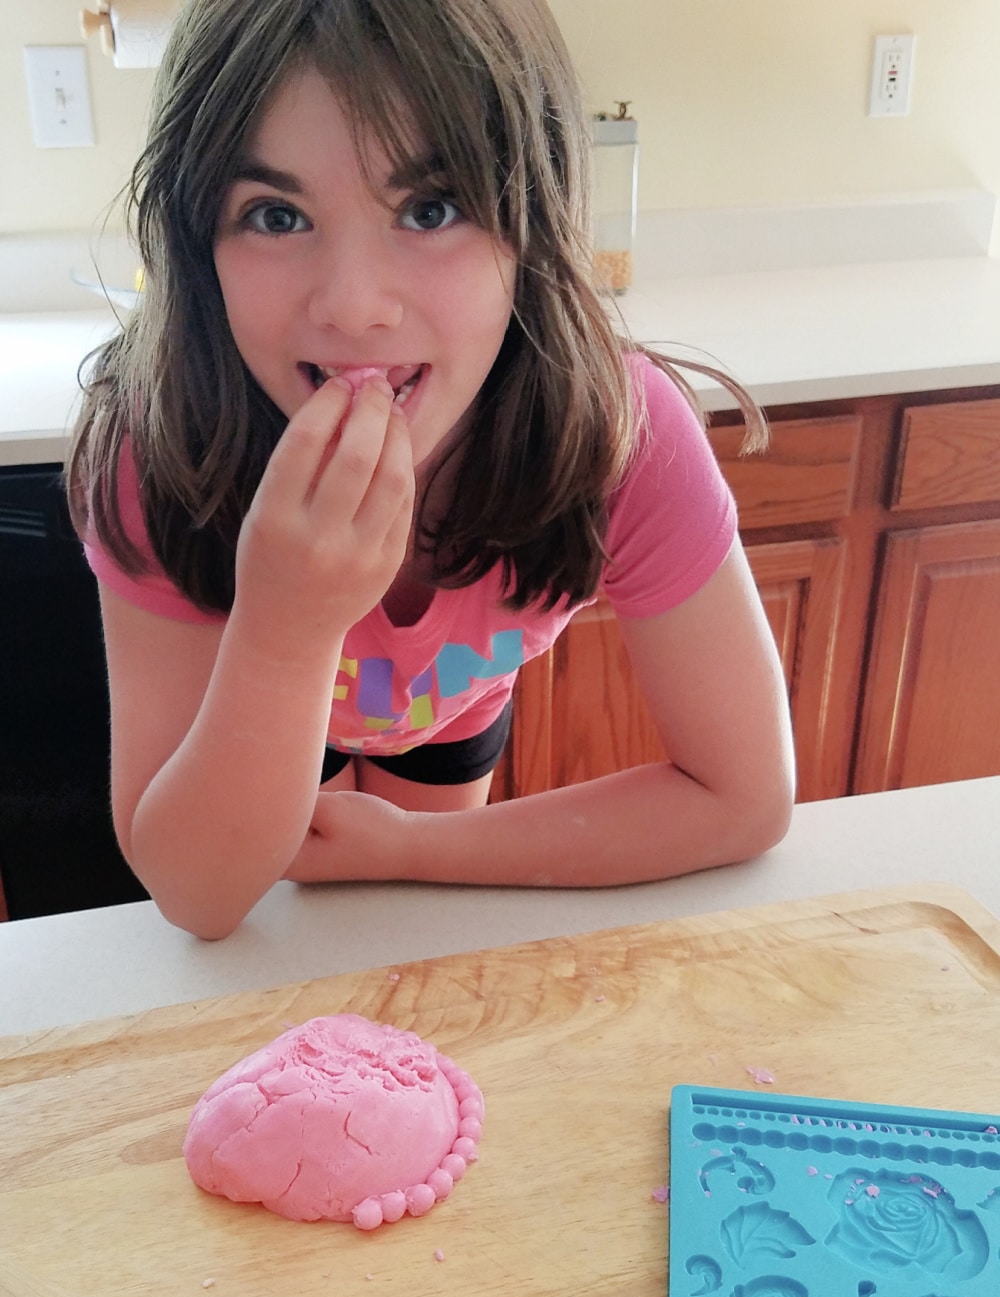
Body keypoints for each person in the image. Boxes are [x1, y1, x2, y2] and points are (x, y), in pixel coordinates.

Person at [69, 0, 795, 941]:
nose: (355, 307)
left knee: (407, 939)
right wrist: (286, 626)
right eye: (276, 215)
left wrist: (410, 847)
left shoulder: (621, 434)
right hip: (253, 711)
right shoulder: (156, 448)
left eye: (431, 208)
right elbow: (200, 893)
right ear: (196, 244)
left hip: (449, 713)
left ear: (530, 227)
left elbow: (744, 798)